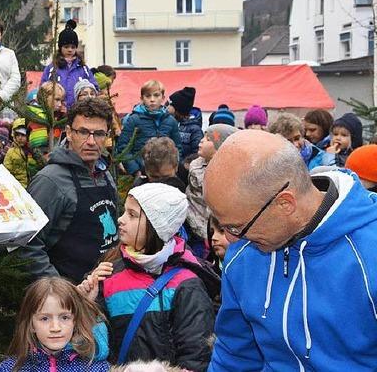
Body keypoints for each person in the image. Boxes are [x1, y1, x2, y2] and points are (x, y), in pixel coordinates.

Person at [204, 130, 377, 371]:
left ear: (285, 204)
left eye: (236, 226)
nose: (231, 239)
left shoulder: (369, 253)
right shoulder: (243, 255)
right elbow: (234, 355)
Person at [79, 183, 214, 369]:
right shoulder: (108, 272)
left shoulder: (186, 283)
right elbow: (92, 347)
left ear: (158, 226)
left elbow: (196, 355)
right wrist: (85, 304)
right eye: (124, 211)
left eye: (132, 215)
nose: (120, 219)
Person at [21, 98, 119, 283]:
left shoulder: (105, 174)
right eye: (83, 132)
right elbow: (29, 244)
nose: (91, 141)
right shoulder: (51, 181)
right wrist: (62, 292)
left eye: (98, 134)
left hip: (106, 291)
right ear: (69, 132)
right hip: (69, 298)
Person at [0, 277, 110, 372]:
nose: (55, 328)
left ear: (75, 321)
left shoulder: (96, 368)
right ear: (31, 325)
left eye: (65, 317)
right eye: (45, 318)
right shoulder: (9, 369)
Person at [116, 80, 182, 177]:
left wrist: (173, 168)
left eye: (156, 95)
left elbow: (177, 148)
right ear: (142, 99)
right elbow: (123, 147)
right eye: (148, 96)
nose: (152, 99)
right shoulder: (134, 119)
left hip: (166, 173)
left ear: (163, 98)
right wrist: (135, 170)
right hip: (142, 172)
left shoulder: (171, 121)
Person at [186, 124, 237, 240]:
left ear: (220, 147)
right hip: (194, 217)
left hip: (214, 226)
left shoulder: (227, 171)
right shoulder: (196, 166)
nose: (201, 141)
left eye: (208, 139)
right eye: (203, 137)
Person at [40, 19, 98, 109]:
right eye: (66, 47)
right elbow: (43, 91)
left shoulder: (84, 69)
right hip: (57, 113)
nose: (70, 50)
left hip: (79, 111)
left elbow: (94, 88)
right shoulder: (51, 69)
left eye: (73, 47)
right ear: (60, 47)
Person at [28, 81, 67, 158]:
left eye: (62, 101)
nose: (60, 104)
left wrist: (61, 117)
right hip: (40, 162)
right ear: (45, 97)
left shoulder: (54, 116)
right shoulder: (39, 117)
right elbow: (39, 146)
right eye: (57, 100)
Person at [0, 17, 21, 109]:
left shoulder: (10, 54)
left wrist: (1, 96)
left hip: (6, 106)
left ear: (1, 34)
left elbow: (15, 79)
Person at [168, 86, 202, 160]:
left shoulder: (195, 129)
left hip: (184, 169)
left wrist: (182, 166)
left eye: (170, 104)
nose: (167, 107)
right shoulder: (168, 123)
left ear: (178, 108)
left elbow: (197, 153)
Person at [4, 118, 37, 188]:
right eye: (17, 135)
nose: (20, 138)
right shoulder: (11, 151)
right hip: (17, 186)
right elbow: (6, 171)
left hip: (33, 185)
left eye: (23, 135)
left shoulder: (33, 150)